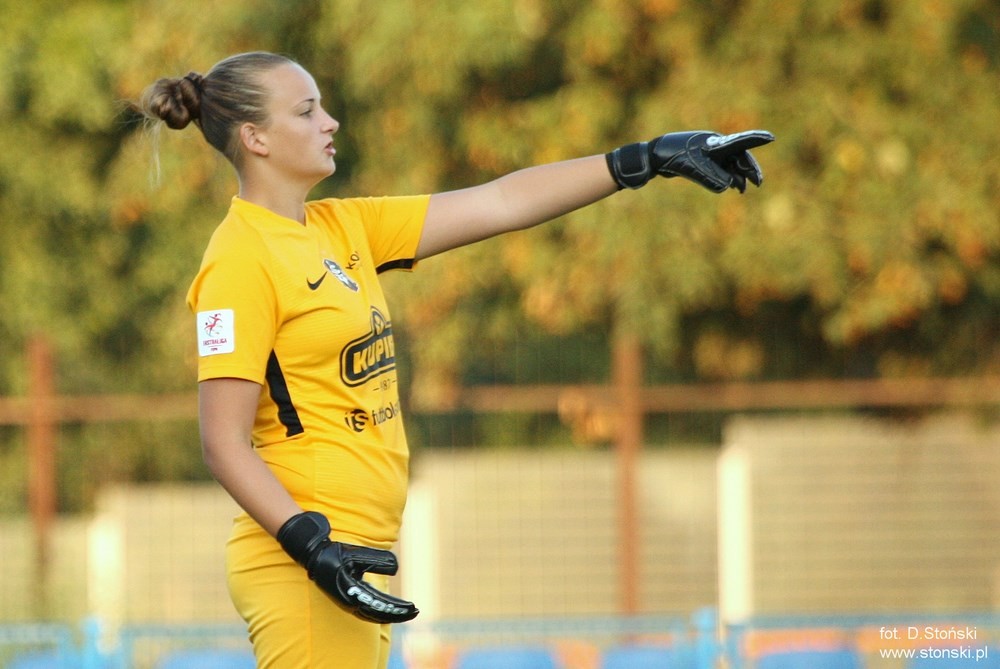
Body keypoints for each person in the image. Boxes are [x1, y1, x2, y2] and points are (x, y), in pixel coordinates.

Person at [135, 50, 772, 669]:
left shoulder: (339, 227)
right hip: (303, 563)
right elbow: (223, 443)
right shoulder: (240, 259)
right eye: (306, 112)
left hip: (353, 552)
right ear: (255, 138)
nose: (330, 122)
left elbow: (501, 202)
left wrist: (644, 159)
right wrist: (312, 548)